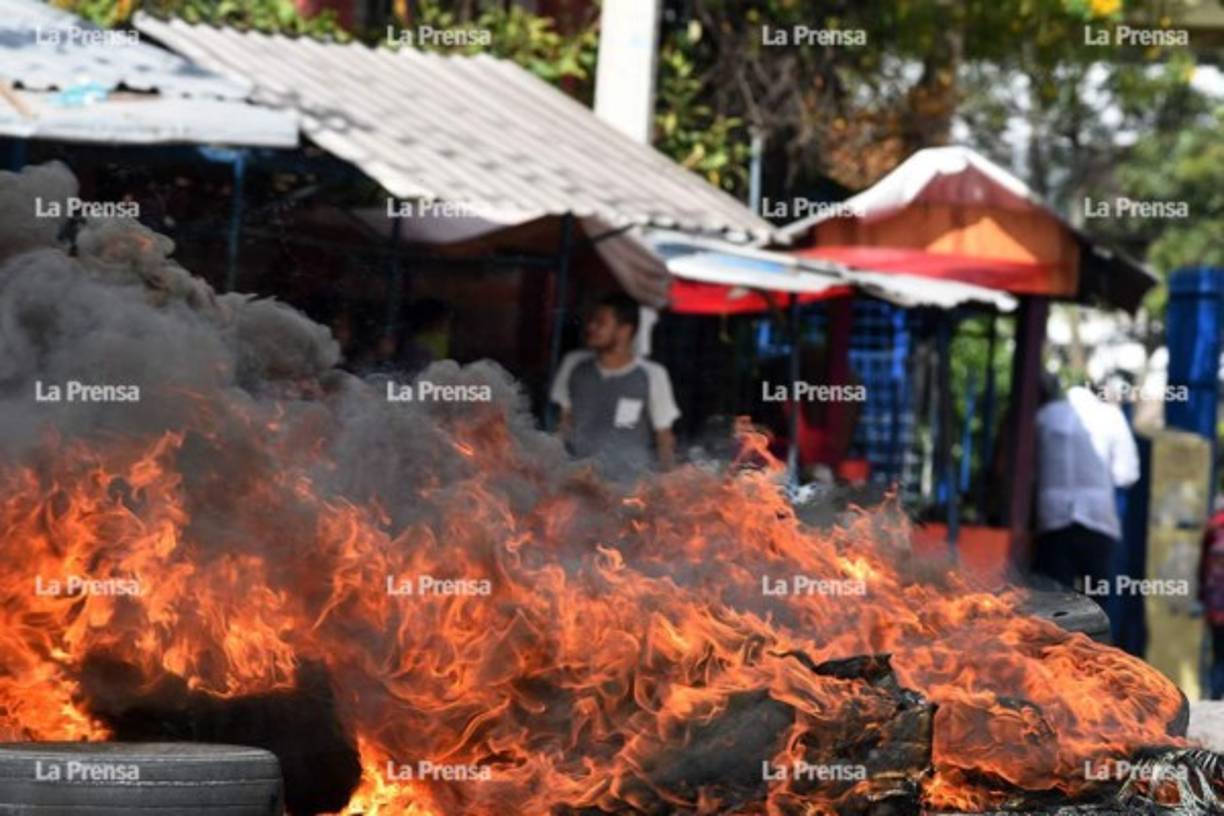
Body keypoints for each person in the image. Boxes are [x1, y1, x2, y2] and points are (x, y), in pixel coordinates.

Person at [550, 292, 679, 481]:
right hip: (577, 483)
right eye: (591, 321)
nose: (591, 327)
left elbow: (664, 439)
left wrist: (670, 487)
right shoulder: (574, 365)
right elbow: (562, 425)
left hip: (628, 488)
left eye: (600, 322)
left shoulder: (652, 375)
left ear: (624, 330)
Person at [1033, 373, 1140, 592]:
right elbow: (1126, 474)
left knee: (1055, 599)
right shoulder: (1112, 417)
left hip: (1052, 517)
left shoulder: (1045, 416)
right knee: (1096, 598)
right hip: (1098, 519)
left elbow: (1029, 466)